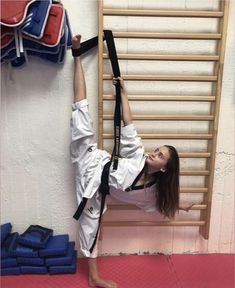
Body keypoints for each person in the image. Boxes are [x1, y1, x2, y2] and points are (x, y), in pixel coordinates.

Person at [70, 34, 194, 288]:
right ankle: (77, 55)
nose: (153, 153)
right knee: (80, 111)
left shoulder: (151, 193)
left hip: (94, 192)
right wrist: (123, 90)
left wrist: (183, 205)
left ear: (165, 168)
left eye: (160, 156)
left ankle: (94, 278)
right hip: (91, 159)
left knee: (89, 230)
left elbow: (165, 203)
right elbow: (128, 122)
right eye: (156, 149)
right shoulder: (137, 153)